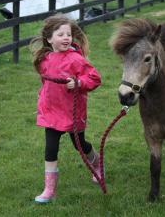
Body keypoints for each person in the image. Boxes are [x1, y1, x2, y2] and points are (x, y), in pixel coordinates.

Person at [30, 13, 101, 203]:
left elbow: (94, 78)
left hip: (72, 112)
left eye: (68, 34)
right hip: (51, 112)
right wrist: (43, 97)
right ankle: (49, 190)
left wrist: (78, 82)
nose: (66, 38)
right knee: (50, 149)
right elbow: (45, 81)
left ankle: (97, 164)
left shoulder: (76, 59)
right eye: (60, 34)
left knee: (80, 145)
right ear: (50, 38)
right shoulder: (45, 59)